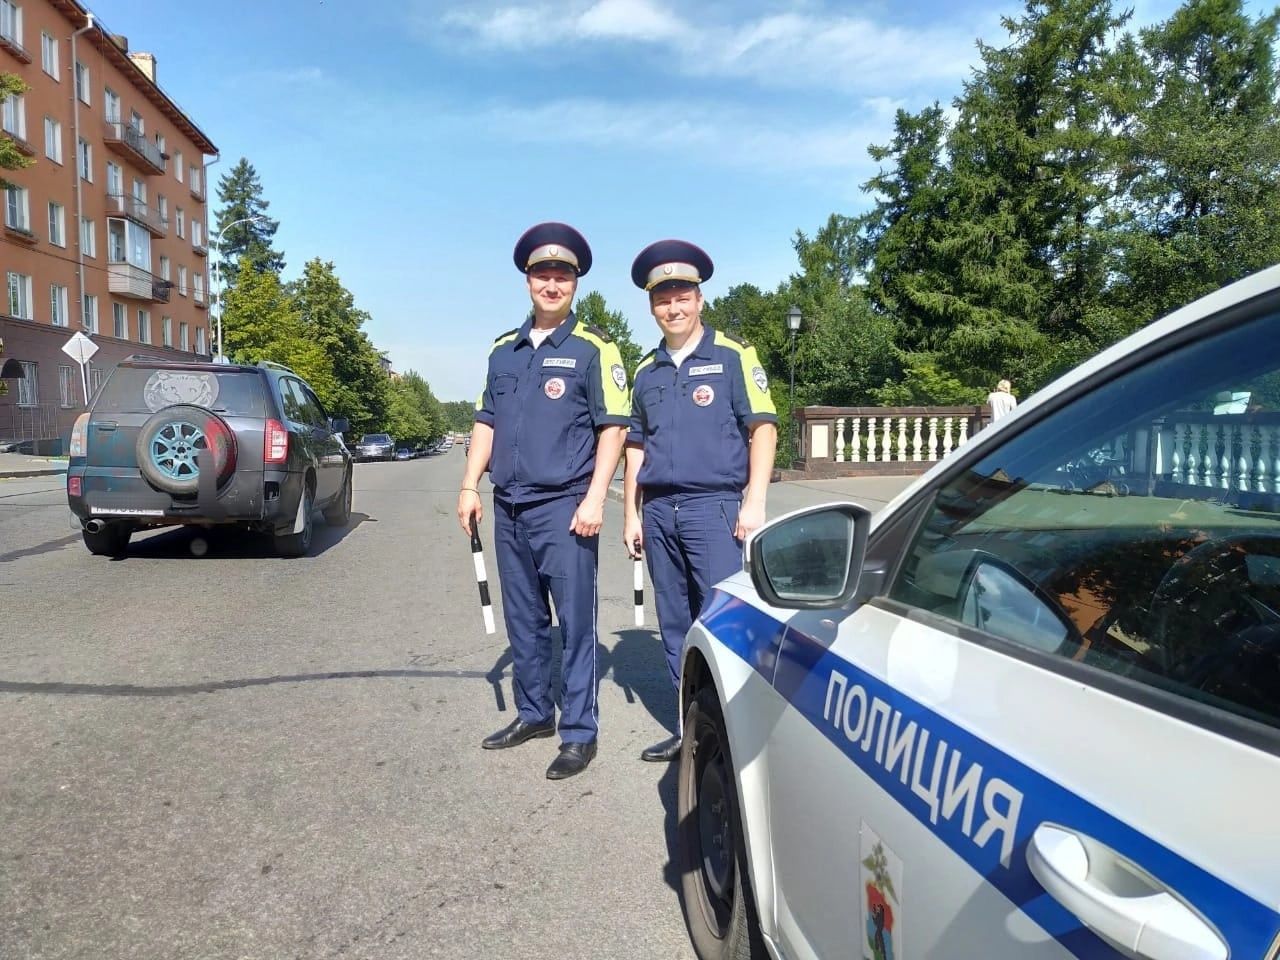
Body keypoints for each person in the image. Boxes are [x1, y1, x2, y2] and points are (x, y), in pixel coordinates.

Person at [458, 222, 630, 781]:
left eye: (562, 276)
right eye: (542, 275)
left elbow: (614, 429)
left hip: (566, 508)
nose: (551, 284)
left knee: (576, 624)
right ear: (527, 281)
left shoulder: (594, 350)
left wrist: (596, 497)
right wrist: (469, 485)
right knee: (525, 619)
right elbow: (486, 420)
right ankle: (535, 713)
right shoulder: (501, 352)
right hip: (507, 505)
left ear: (574, 283)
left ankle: (579, 732)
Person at [622, 239, 778, 762]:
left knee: (722, 620)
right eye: (663, 297)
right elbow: (636, 447)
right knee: (675, 623)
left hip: (715, 509)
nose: (674, 306)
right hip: (660, 510)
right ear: (651, 306)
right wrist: (631, 513)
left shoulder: (733, 356)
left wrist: (753, 500)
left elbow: (763, 430)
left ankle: (733, 736)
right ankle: (690, 729)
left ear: (700, 299)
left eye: (682, 294)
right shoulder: (644, 372)